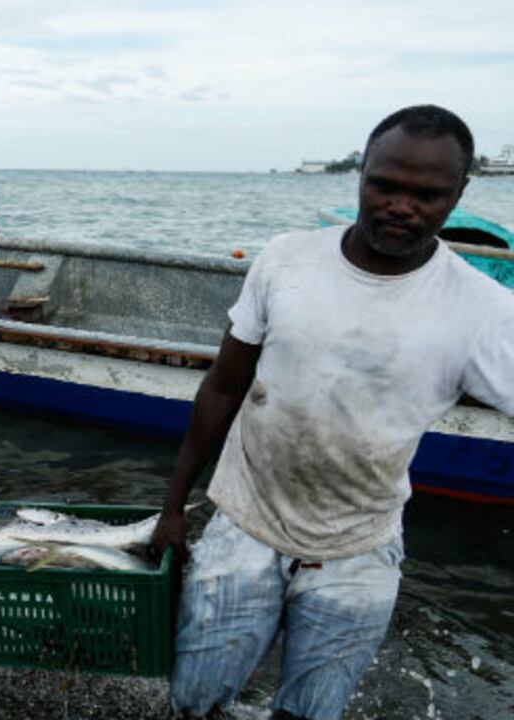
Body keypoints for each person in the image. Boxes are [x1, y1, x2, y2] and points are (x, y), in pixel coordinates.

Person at [148, 104, 514, 720]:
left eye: (427, 194)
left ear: (459, 193)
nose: (402, 206)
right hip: (246, 519)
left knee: (311, 713)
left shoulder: (483, 311)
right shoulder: (287, 259)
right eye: (385, 185)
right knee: (194, 702)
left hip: (359, 543)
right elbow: (222, 387)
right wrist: (173, 507)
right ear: (361, 172)